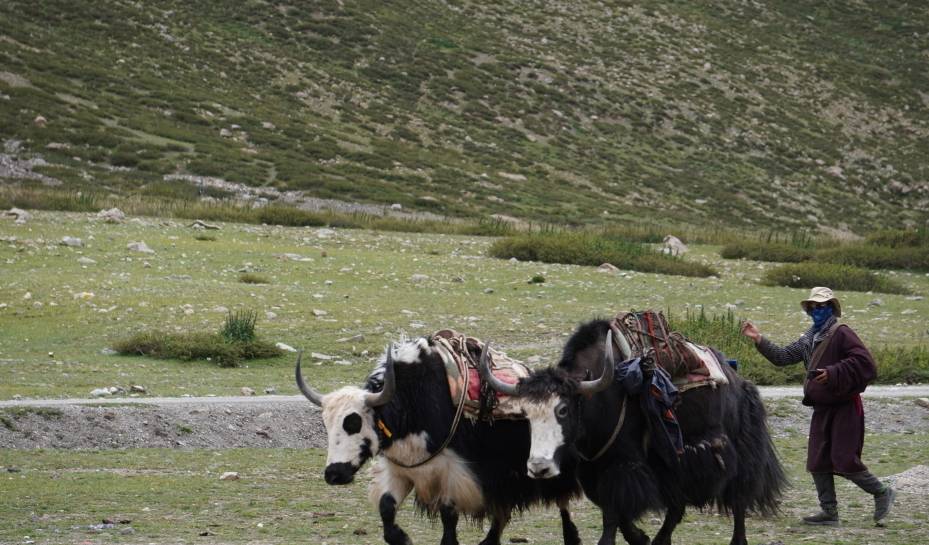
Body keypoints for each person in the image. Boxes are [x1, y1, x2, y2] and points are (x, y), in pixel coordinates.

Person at [740, 286, 895, 526]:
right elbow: (782, 357)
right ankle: (829, 512)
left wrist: (833, 373)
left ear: (832, 308)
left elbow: (866, 364)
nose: (816, 311)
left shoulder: (842, 332)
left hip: (845, 407)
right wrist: (759, 339)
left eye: (821, 307)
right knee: (817, 460)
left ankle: (882, 492)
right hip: (822, 408)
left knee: (844, 459)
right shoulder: (809, 337)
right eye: (813, 307)